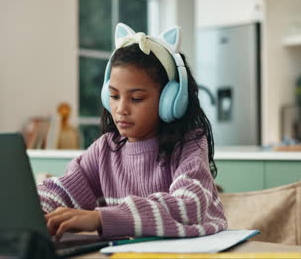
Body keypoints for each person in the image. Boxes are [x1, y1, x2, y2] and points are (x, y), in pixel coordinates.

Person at [37, 23, 227, 241]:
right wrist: (35, 211)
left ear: (170, 100)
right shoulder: (104, 150)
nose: (121, 109)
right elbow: (62, 190)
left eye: (136, 98)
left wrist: (101, 218)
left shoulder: (190, 144)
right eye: (115, 96)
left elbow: (188, 207)